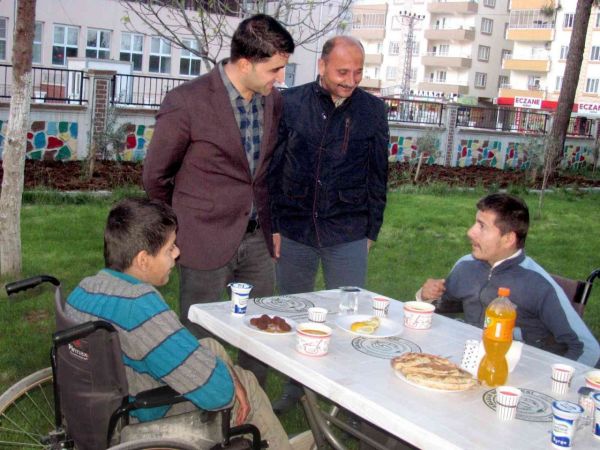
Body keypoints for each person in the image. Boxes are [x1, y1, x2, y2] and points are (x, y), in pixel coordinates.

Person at [65, 198, 291, 449]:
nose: (177, 253)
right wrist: (232, 381)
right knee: (246, 383)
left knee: (209, 346)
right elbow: (219, 395)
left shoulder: (84, 290)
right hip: (140, 422)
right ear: (143, 260)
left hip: (99, 413)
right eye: (170, 248)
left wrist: (223, 372)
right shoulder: (139, 305)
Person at [143, 14, 295, 387]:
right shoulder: (187, 102)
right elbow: (155, 176)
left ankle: (249, 413)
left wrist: (271, 226)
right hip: (203, 242)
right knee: (201, 338)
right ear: (245, 63)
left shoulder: (272, 102)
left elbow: (266, 172)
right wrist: (181, 227)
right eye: (275, 69)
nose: (280, 79)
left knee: (260, 334)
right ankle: (201, 413)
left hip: (257, 242)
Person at [267, 36, 389, 413]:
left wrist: (371, 230)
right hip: (295, 228)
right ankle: (295, 387)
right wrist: (272, 222)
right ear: (321, 66)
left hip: (348, 229)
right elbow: (270, 166)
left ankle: (343, 393)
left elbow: (378, 174)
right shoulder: (289, 103)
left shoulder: (373, 110)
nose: (351, 80)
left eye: (358, 72)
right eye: (342, 72)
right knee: (294, 312)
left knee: (350, 317)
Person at [418, 193, 600, 366]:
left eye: (482, 226)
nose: (470, 232)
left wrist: (556, 383)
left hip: (518, 373)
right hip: (469, 361)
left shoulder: (539, 285)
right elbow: (443, 306)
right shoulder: (467, 265)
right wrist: (426, 296)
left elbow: (588, 349)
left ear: (508, 239)